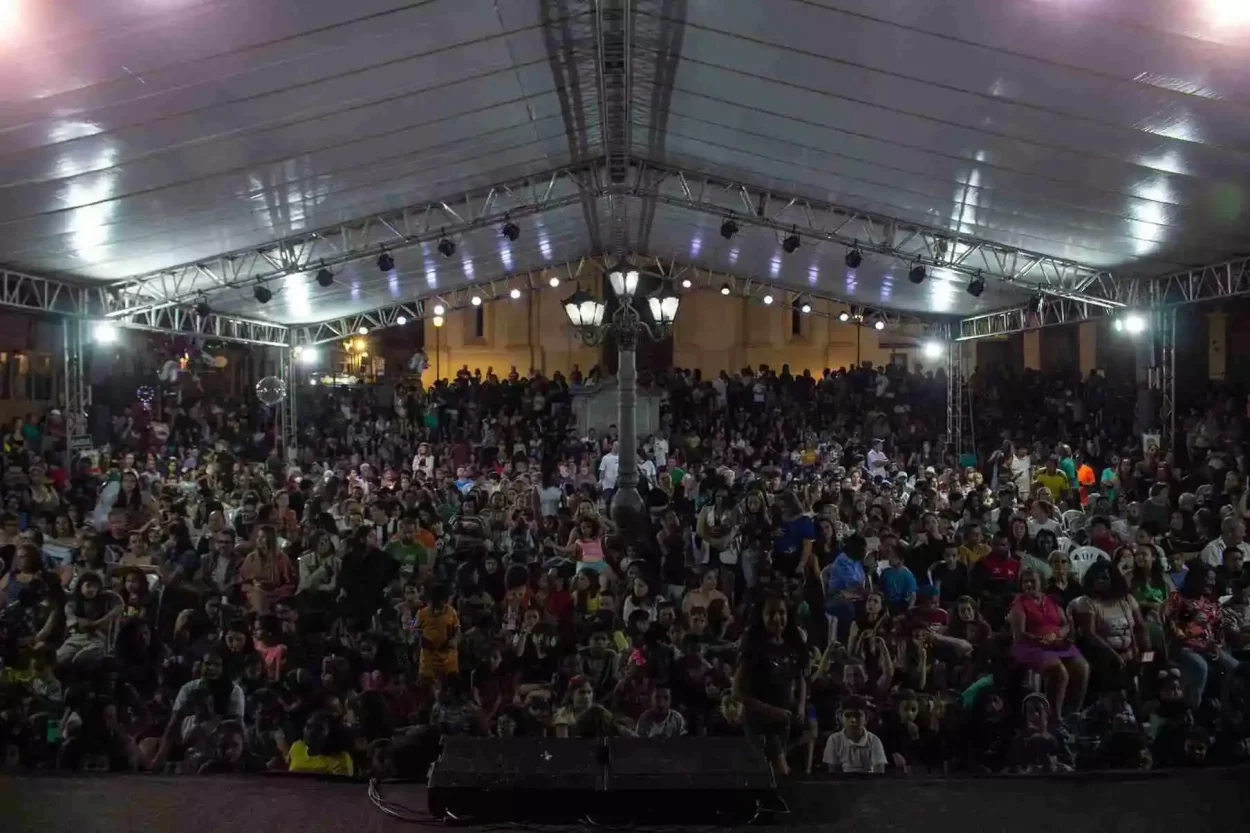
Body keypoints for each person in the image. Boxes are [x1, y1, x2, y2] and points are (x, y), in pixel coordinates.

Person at [734, 593, 806, 776]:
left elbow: (800, 677)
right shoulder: (753, 648)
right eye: (771, 613)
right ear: (762, 616)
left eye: (781, 612)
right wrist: (771, 711)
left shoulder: (792, 644)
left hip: (785, 722)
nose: (776, 618)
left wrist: (801, 705)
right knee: (778, 773)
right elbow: (737, 692)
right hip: (759, 723)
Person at [1007, 568, 1089, 721]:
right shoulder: (1018, 605)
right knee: (1058, 670)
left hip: (1056, 642)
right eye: (1025, 581)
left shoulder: (1051, 600)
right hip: (1031, 645)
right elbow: (1020, 634)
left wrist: (1057, 636)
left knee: (1082, 667)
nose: (1029, 584)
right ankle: (1054, 718)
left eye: (1033, 581)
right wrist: (1042, 639)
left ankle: (1073, 714)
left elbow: (1066, 625)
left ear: (1041, 583)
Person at [822, 695, 886, 774]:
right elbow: (833, 773)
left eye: (858, 715)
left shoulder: (874, 740)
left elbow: (879, 772)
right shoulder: (834, 740)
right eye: (848, 716)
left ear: (866, 718)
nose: (853, 720)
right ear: (841, 718)